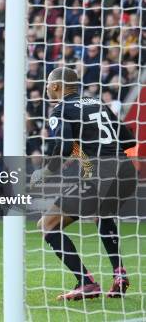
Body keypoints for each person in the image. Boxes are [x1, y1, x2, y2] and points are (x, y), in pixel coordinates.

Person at [31, 67, 137, 300]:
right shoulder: (97, 102)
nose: (47, 89)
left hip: (100, 172)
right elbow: (129, 139)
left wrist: (46, 172)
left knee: (47, 225)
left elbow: (66, 145)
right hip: (126, 170)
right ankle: (119, 274)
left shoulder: (61, 109)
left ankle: (86, 282)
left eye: (48, 84)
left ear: (56, 86)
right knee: (103, 214)